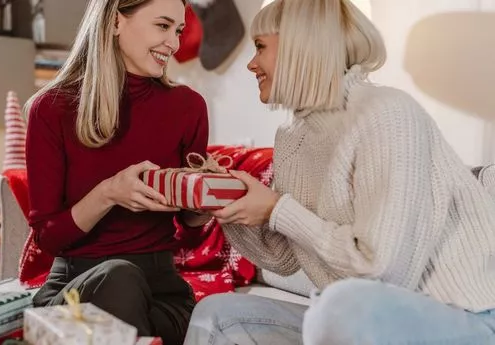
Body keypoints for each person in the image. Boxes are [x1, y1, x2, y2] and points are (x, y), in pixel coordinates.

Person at [184, 0, 495, 344]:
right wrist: (229, 205)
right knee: (217, 316)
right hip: (361, 315)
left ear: (299, 47)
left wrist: (277, 208)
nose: (251, 64)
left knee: (341, 306)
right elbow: (282, 257)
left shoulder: (387, 113)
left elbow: (381, 270)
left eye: (260, 47)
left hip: (467, 317)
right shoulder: (293, 137)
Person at [24, 1, 211, 344]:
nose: (174, 43)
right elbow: (48, 238)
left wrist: (204, 204)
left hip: (161, 293)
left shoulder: (189, 107)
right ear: (114, 22)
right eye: (163, 26)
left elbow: (190, 230)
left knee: (125, 292)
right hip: (77, 290)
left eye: (178, 31)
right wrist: (109, 193)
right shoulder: (50, 108)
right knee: (119, 279)